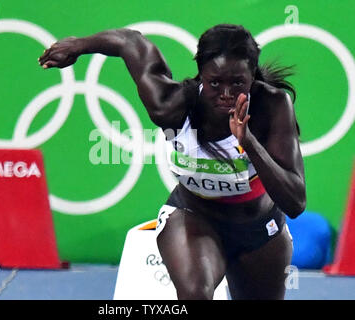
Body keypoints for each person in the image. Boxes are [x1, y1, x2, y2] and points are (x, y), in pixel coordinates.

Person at [38, 24, 306, 300]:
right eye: (215, 82)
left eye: (237, 83)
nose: (226, 93)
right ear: (201, 75)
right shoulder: (171, 107)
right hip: (194, 217)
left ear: (252, 76)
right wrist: (78, 44)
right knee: (194, 294)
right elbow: (130, 43)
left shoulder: (272, 107)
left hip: (259, 227)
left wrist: (247, 141)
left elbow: (295, 202)